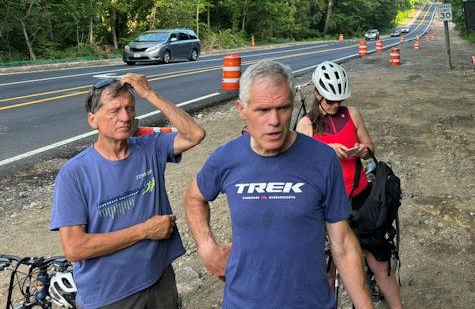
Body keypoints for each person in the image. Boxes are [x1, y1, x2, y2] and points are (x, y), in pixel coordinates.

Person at [183, 60, 372, 309]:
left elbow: (344, 245)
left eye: (283, 108)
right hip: (243, 302)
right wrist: (208, 248)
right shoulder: (226, 158)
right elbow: (193, 196)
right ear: (242, 109)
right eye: (262, 110)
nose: (274, 121)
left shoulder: (322, 159)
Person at [50, 73, 206, 309]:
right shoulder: (74, 173)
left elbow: (195, 134)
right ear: (93, 120)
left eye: (130, 108)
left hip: (159, 280)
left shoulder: (150, 147)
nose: (125, 117)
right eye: (114, 111)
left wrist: (149, 93)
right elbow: (75, 248)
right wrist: (145, 231)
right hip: (110, 294)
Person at [295, 61, 404, 309]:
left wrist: (363, 150)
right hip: (326, 204)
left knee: (378, 261)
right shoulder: (306, 124)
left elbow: (370, 146)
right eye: (330, 100)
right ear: (318, 94)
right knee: (328, 269)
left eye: (339, 100)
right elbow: (300, 168)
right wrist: (326, 150)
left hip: (359, 196)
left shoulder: (352, 114)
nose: (336, 105)